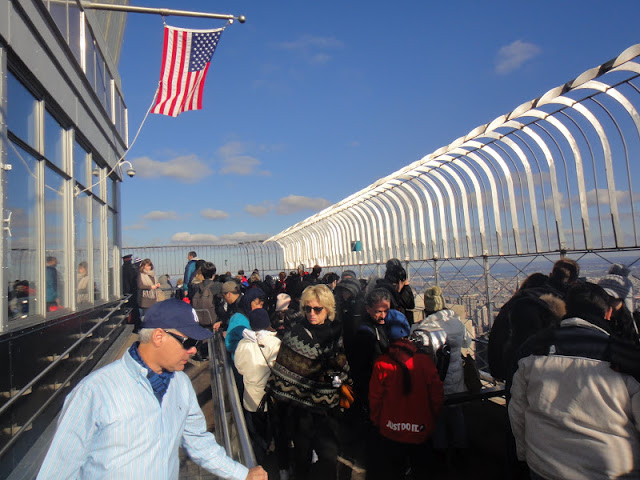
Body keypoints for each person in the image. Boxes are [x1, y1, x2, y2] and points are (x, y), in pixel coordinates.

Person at [37, 299, 267, 480]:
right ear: (159, 336)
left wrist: (241, 474)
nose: (194, 351)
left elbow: (197, 440)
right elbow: (58, 470)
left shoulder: (180, 384)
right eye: (188, 342)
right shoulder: (94, 391)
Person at [509, 282, 640, 480]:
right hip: (611, 468)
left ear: (566, 310)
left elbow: (517, 409)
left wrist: (524, 454)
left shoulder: (535, 347)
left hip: (545, 463)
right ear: (607, 314)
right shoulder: (625, 356)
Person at [269, 284, 351, 480]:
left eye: (317, 309)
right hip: (301, 412)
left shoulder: (337, 333)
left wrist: (334, 384)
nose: (311, 313)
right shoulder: (294, 335)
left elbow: (343, 369)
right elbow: (283, 375)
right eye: (307, 308)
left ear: (328, 309)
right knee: (302, 460)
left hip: (328, 411)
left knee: (329, 459)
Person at [368, 313, 444, 479]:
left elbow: (375, 399)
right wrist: (431, 418)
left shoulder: (382, 363)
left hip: (390, 430)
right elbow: (437, 395)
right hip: (420, 429)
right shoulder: (424, 362)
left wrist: (377, 421)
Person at [421, 285, 472, 462]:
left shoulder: (425, 326)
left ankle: (440, 451)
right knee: (457, 414)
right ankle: (461, 449)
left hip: (436, 378)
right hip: (456, 377)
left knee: (437, 415)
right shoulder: (456, 322)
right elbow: (467, 342)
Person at [234, 308, 281, 464]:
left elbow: (239, 367)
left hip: (249, 394)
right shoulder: (274, 343)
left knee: (255, 430)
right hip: (269, 396)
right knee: (271, 427)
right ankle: (273, 458)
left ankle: (258, 460)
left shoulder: (243, 343)